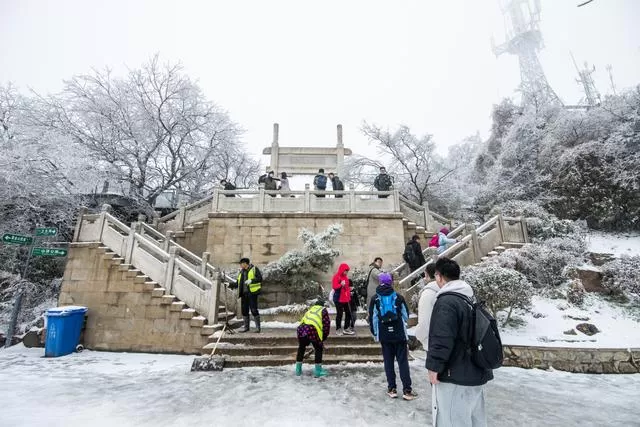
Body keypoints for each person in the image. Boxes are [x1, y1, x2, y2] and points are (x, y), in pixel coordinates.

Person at [427, 257, 493, 427]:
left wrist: (434, 367)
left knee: (451, 419)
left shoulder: (446, 301)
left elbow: (442, 337)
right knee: (475, 419)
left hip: (455, 374)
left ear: (439, 276)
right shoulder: (469, 297)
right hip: (476, 370)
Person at [369, 272, 417, 401]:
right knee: (403, 362)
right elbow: (406, 316)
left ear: (379, 282)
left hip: (385, 335)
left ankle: (392, 389)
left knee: (388, 362)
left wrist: (375, 333)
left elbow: (373, 318)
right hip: (399, 334)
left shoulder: (375, 299)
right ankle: (407, 390)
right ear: (391, 282)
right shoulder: (398, 297)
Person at [295, 296, 331, 378]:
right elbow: (326, 325)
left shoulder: (310, 310)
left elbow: (303, 320)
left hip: (301, 329)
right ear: (322, 305)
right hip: (312, 330)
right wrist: (324, 337)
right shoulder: (323, 310)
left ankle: (298, 370)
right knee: (318, 348)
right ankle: (318, 371)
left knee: (301, 348)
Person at [231, 258, 263, 333]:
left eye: (241, 263)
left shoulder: (254, 269)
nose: (241, 265)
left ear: (245, 263)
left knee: (254, 310)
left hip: (252, 293)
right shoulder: (241, 272)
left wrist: (251, 281)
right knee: (244, 311)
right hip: (244, 294)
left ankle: (258, 328)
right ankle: (246, 328)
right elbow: (237, 283)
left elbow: (260, 278)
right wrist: (229, 284)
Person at [413, 263, 439, 350]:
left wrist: (419, 336)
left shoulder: (428, 293)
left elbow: (424, 321)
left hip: (433, 342)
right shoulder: (449, 289)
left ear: (426, 274)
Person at [331, 263, 354, 335]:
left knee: (348, 313)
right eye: (345, 271)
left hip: (345, 298)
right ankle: (338, 329)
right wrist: (341, 284)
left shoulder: (346, 277)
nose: (346, 272)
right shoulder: (336, 277)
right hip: (338, 299)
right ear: (342, 270)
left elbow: (346, 287)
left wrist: (349, 291)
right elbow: (335, 287)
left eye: (347, 271)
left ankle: (346, 328)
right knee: (339, 314)